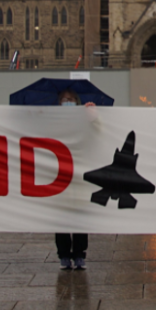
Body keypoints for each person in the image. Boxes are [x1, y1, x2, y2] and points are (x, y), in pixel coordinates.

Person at [55, 89, 95, 270]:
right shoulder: (54, 119)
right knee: (61, 218)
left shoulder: (84, 119)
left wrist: (92, 115)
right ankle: (64, 255)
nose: (67, 101)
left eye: (70, 99)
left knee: (80, 218)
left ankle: (79, 254)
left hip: (79, 176)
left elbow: (97, 130)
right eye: (64, 99)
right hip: (59, 175)